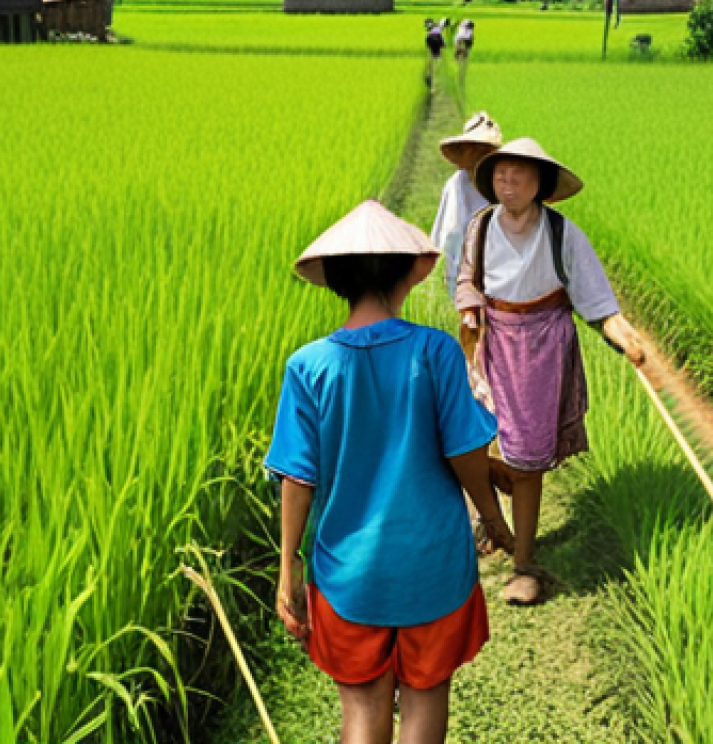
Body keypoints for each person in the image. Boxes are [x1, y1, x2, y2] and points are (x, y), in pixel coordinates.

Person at [266, 200, 513, 744]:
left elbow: (297, 478)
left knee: (360, 708)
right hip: (434, 567)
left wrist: (288, 567)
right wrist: (494, 520)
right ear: (407, 271)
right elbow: (464, 453)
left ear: (336, 280)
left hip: (346, 573)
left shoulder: (308, 366)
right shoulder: (435, 351)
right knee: (426, 699)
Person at [454, 139, 645, 605]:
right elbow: (467, 278)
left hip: (542, 348)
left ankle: (524, 562)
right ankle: (493, 524)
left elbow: (595, 298)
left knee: (526, 460)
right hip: (491, 342)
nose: (508, 182)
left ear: (540, 183)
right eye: (500, 174)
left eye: (519, 175)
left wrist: (620, 333)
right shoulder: (480, 227)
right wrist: (469, 307)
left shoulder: (561, 233)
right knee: (474, 442)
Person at [431, 112, 502, 296]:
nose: (477, 155)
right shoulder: (455, 186)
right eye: (473, 148)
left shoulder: (503, 185)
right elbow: (446, 235)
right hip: (459, 276)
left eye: (483, 149)